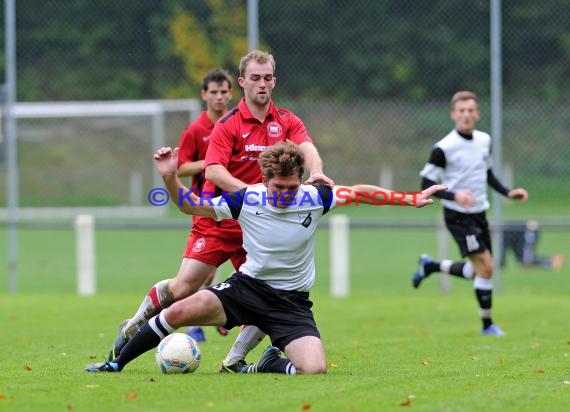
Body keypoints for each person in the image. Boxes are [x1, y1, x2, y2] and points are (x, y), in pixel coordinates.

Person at [85, 141, 446, 375]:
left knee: (315, 370)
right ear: (264, 180)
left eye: (292, 188)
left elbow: (362, 193)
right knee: (177, 311)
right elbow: (188, 205)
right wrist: (170, 179)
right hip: (246, 289)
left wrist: (410, 199)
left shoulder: (315, 197)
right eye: (279, 189)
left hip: (291, 303)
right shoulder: (247, 200)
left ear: (300, 181)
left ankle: (268, 363)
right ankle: (116, 363)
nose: (287, 195)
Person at [105, 51, 334, 367]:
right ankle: (135, 323)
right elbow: (212, 171)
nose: (262, 84)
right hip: (220, 220)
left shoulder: (287, 120)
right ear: (243, 82)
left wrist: (317, 170)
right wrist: (253, 198)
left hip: (259, 229)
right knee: (183, 287)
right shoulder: (226, 125)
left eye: (267, 78)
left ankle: (235, 359)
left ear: (274, 81)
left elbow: (307, 147)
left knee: (269, 292)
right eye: (255, 78)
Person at [411, 90, 528, 336]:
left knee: (481, 270)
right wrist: (455, 196)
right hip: (458, 216)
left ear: (477, 114)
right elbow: (425, 185)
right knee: (486, 267)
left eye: (470, 110)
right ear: (453, 114)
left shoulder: (484, 140)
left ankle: (430, 266)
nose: (466, 115)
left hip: (479, 213)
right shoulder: (443, 148)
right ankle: (487, 326)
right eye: (461, 111)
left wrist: (508, 193)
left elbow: (486, 173)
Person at [500, 220, 565, 270]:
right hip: (522, 236)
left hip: (529, 231)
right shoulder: (503, 235)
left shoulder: (503, 233)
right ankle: (551, 262)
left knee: (526, 261)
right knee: (523, 261)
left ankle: (553, 261)